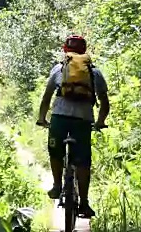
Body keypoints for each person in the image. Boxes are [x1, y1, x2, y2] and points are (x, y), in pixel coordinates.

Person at [35, 34, 110, 218]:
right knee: (83, 161)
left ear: (65, 50)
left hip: (60, 118)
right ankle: (84, 203)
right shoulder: (94, 72)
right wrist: (100, 121)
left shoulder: (59, 69)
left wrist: (42, 118)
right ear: (84, 51)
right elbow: (105, 102)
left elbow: (46, 97)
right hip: (83, 121)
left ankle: (56, 186)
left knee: (55, 151)